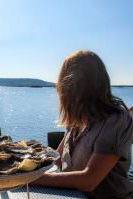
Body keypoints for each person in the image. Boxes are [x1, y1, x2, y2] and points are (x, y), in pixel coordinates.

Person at [33, 50, 133, 199]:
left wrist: (30, 179)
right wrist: (20, 159)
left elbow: (88, 180)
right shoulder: (77, 119)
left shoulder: (116, 120)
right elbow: (57, 159)